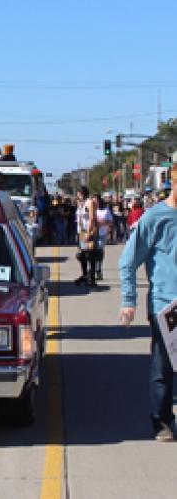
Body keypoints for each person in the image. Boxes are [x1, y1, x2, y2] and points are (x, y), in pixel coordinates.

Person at [119, 163, 177, 441]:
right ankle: (162, 421)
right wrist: (128, 300)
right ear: (173, 185)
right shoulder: (155, 218)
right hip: (166, 305)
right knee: (163, 368)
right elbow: (128, 261)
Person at [75, 186, 97, 286]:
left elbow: (92, 218)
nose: (77, 196)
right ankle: (84, 275)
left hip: (88, 231)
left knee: (90, 255)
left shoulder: (89, 202)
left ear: (82, 193)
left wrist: (89, 232)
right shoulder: (81, 204)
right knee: (82, 255)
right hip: (81, 232)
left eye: (78, 194)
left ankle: (92, 277)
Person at [93, 194, 113, 281]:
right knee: (91, 253)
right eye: (93, 201)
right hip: (92, 235)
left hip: (102, 234)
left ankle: (98, 269)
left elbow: (110, 222)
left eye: (96, 201)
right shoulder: (91, 210)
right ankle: (92, 270)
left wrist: (104, 222)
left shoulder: (106, 210)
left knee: (99, 251)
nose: (94, 203)